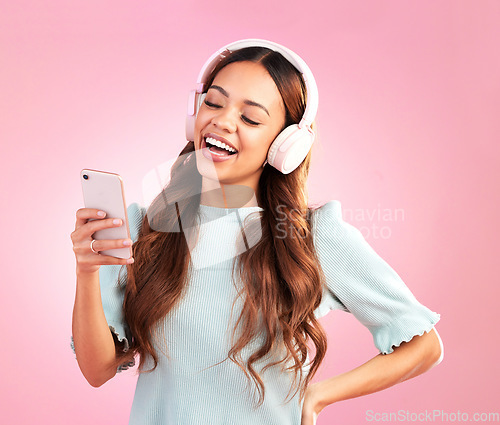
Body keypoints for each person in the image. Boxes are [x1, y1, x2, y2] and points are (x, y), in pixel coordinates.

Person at [70, 39, 443, 425]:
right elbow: (97, 370)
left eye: (250, 118)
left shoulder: (311, 237)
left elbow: (424, 346)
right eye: (213, 103)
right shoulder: (143, 229)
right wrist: (86, 271)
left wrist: (318, 396)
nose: (222, 121)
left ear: (284, 145)